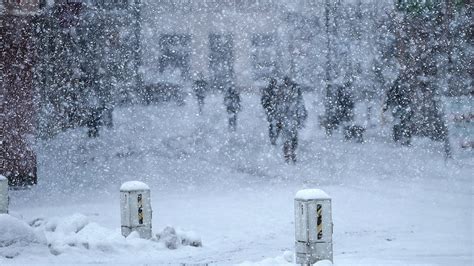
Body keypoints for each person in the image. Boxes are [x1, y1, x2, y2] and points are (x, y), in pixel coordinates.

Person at [278, 76, 307, 163]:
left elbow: (301, 109)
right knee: (289, 139)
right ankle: (290, 155)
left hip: (291, 120)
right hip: (289, 121)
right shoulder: (285, 96)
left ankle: (290, 155)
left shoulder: (292, 97)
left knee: (291, 139)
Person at [382, 75, 414, 146]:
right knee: (404, 123)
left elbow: (389, 96)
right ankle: (404, 139)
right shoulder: (405, 86)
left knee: (399, 123)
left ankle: (399, 139)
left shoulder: (396, 86)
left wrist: (386, 106)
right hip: (403, 107)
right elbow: (410, 98)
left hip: (399, 107)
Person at [261, 78, 281, 145]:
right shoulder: (275, 90)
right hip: (274, 110)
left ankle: (273, 138)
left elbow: (263, 101)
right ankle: (273, 138)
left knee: (273, 124)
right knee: (275, 124)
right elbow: (264, 101)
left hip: (273, 110)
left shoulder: (272, 91)